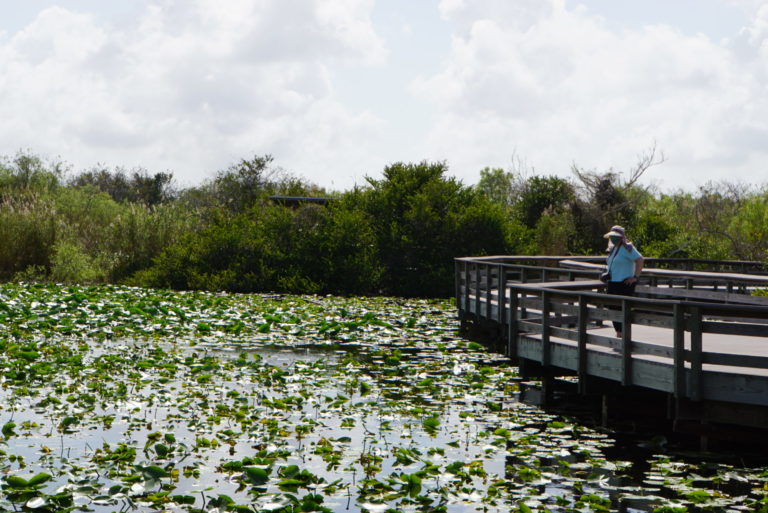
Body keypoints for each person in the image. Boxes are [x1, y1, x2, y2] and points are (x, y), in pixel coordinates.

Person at [603, 225, 644, 338]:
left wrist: (635, 277)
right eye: (611, 236)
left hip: (625, 283)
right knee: (612, 307)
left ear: (621, 237)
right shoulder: (612, 249)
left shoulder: (628, 248)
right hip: (612, 282)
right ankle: (619, 332)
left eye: (615, 236)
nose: (613, 238)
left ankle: (623, 333)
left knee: (622, 308)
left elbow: (640, 260)